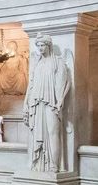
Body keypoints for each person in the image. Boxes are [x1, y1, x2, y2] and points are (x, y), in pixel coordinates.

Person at [23, 33, 70, 172]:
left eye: (43, 45)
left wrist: (60, 100)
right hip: (35, 102)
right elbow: (30, 85)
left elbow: (65, 83)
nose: (40, 48)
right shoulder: (37, 63)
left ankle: (54, 165)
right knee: (35, 133)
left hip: (51, 102)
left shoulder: (57, 62)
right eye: (38, 46)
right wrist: (25, 103)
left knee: (52, 132)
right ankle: (37, 163)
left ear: (48, 45)